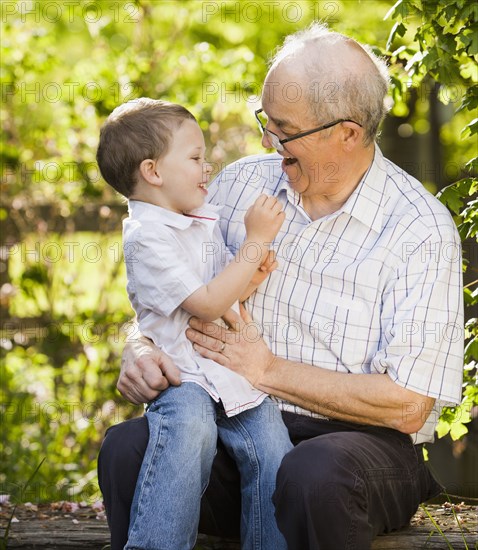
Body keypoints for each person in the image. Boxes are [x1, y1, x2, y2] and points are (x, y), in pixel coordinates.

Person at [98, 23, 464, 550]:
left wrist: (268, 370)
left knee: (312, 473)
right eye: (265, 121)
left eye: (283, 128)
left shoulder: (419, 230)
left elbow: (407, 405)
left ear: (348, 134)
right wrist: (139, 345)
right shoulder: (237, 184)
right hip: (236, 417)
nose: (267, 140)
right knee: (129, 447)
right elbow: (172, 281)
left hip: (359, 450)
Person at [96, 97, 293, 550]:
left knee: (272, 449)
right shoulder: (147, 238)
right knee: (188, 433)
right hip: (185, 377)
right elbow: (205, 304)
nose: (208, 167)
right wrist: (256, 240)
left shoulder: (197, 220)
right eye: (195, 157)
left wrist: (249, 274)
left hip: (230, 375)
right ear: (153, 172)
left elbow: (223, 292)